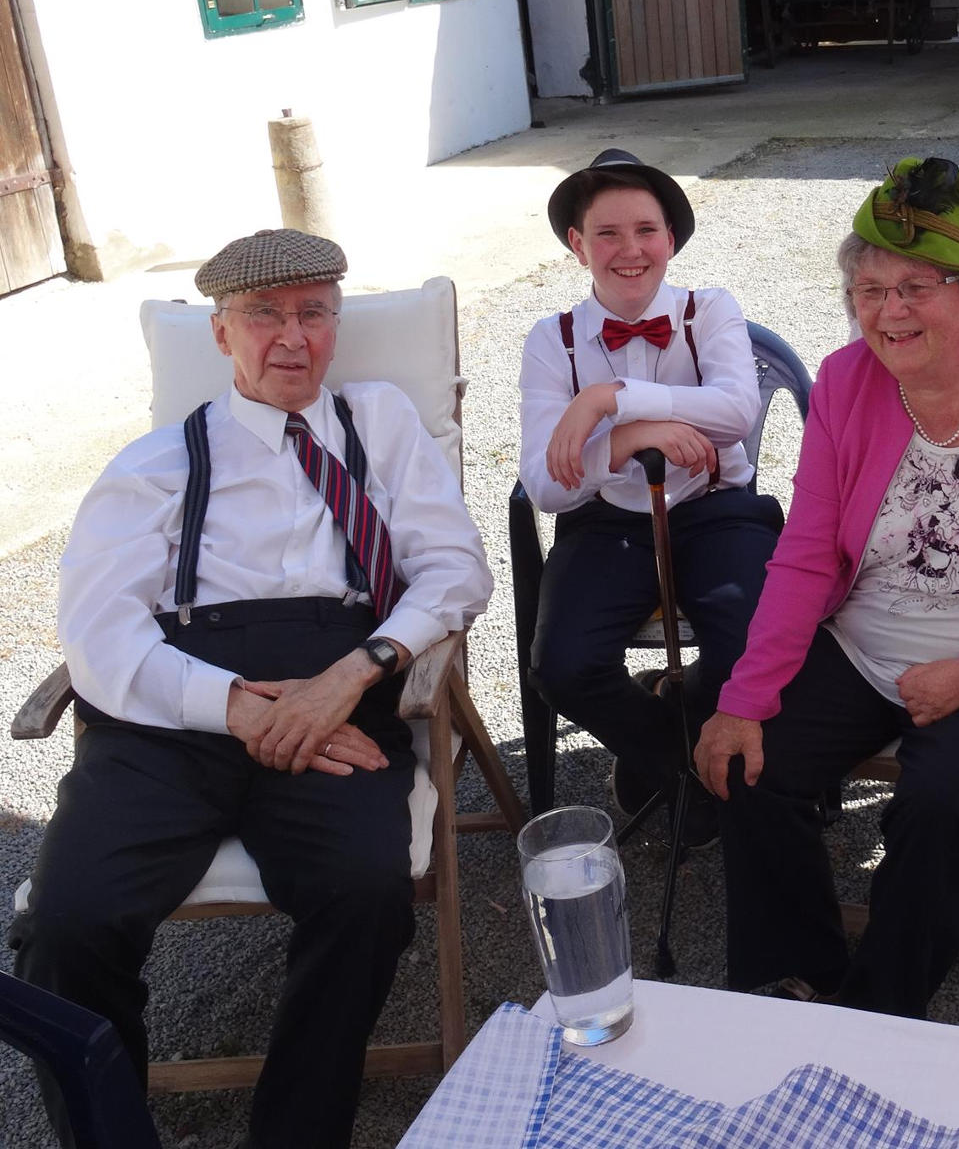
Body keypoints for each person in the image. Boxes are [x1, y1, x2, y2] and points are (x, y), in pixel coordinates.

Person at [9, 229, 493, 1148]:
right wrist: (239, 706)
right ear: (221, 336)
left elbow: (456, 570)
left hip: (339, 698)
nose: (292, 338)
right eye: (263, 316)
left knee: (363, 893)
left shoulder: (380, 424)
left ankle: (298, 1133)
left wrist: (353, 676)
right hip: (173, 718)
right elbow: (100, 636)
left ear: (336, 327)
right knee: (68, 927)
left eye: (314, 314)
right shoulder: (153, 466)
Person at [694, 157, 959, 1018]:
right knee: (755, 767)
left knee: (935, 802)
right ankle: (798, 977)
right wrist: (744, 698)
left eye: (915, 287)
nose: (889, 311)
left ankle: (880, 1014)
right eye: (868, 288)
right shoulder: (848, 384)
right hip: (867, 643)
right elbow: (808, 553)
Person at [520, 148, 781, 843]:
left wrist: (613, 400)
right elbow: (547, 486)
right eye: (606, 233)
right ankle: (677, 759)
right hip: (606, 523)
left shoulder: (710, 310)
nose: (629, 250)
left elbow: (738, 412)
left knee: (758, 644)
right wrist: (630, 440)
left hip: (715, 509)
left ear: (670, 239)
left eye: (646, 230)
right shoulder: (554, 341)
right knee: (563, 666)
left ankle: (693, 703)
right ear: (578, 245)